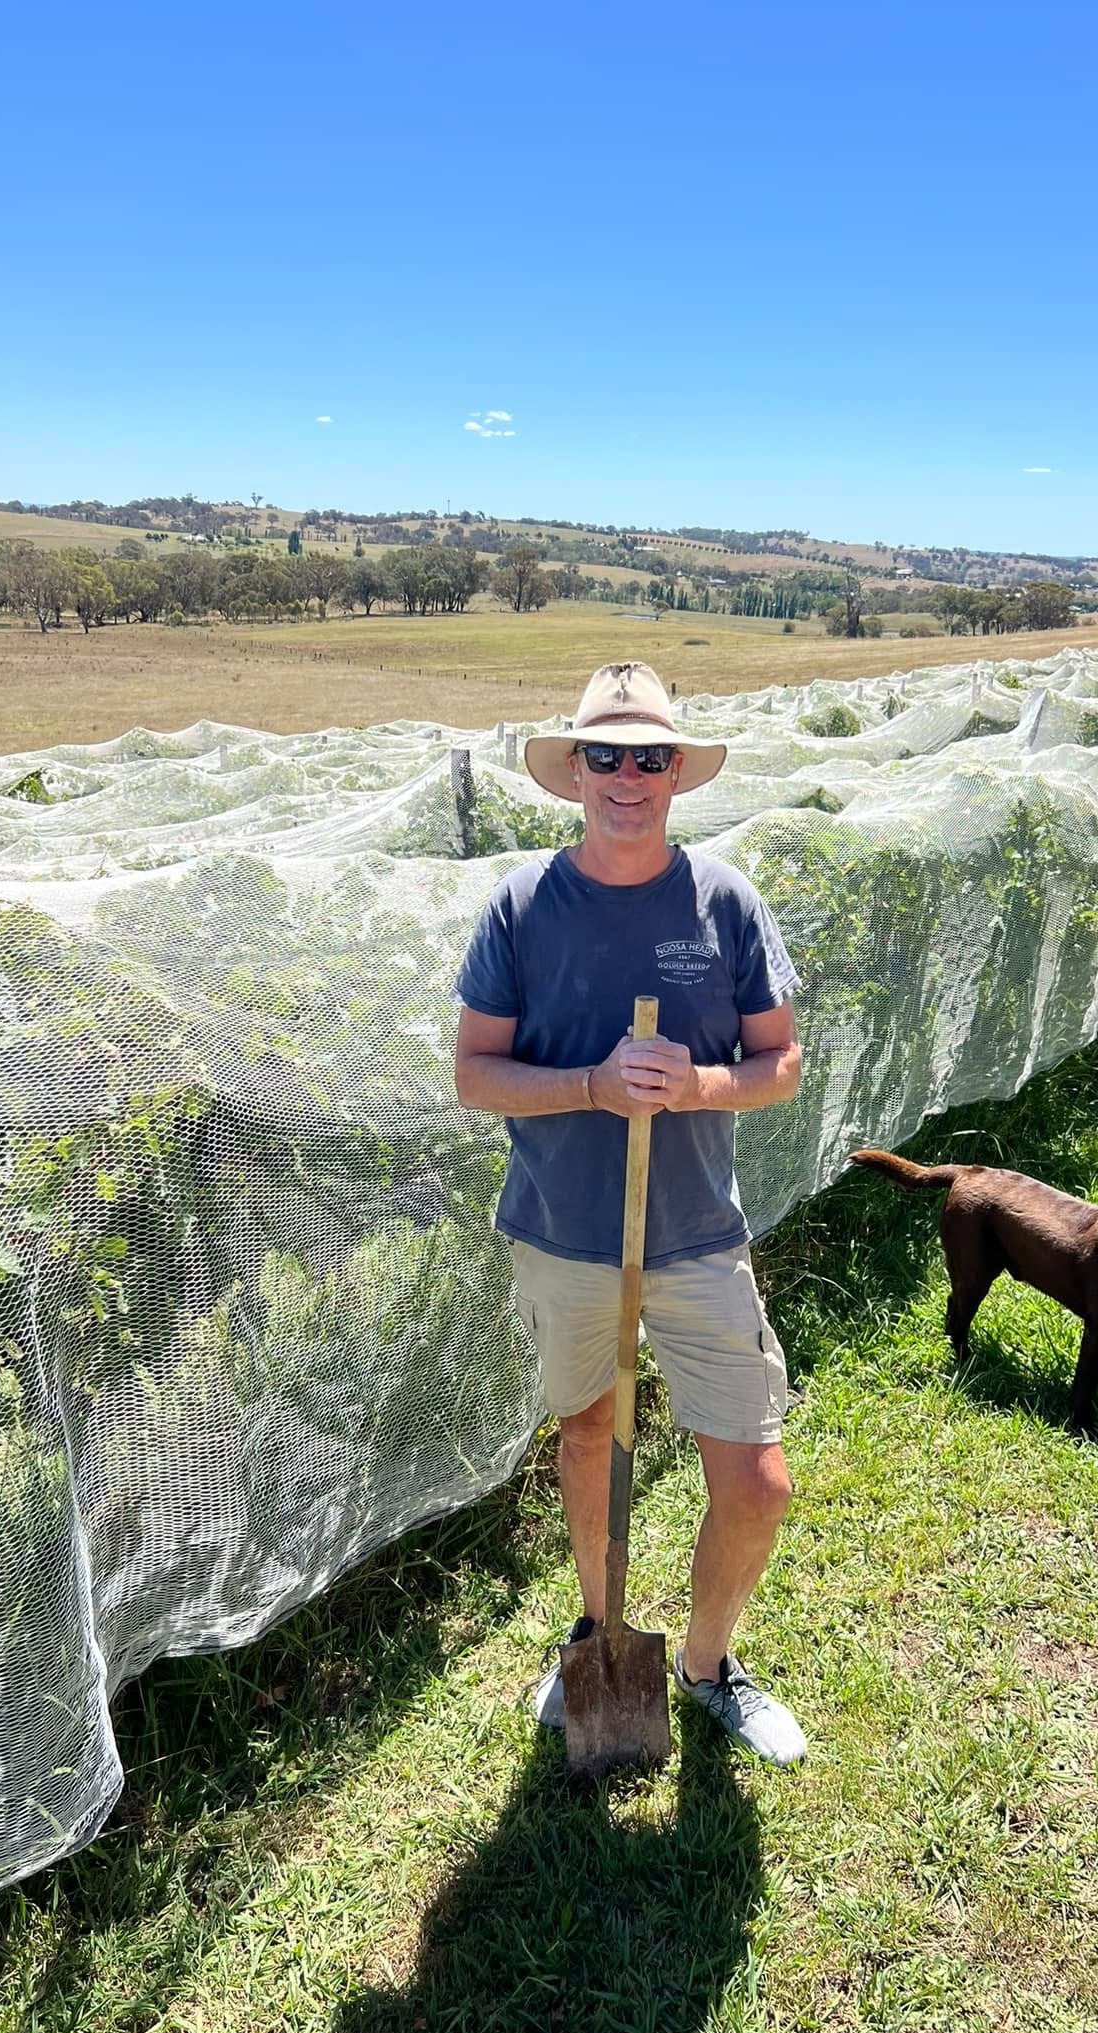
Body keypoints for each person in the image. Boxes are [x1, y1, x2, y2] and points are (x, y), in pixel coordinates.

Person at [454, 661, 807, 1764]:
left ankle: (707, 1663)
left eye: (649, 756)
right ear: (575, 772)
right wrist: (592, 1086)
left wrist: (697, 1085)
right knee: (591, 1433)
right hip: (567, 1233)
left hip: (697, 1232)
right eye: (604, 755)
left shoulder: (725, 901)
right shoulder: (521, 908)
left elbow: (780, 1059)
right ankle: (600, 1632)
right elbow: (476, 1072)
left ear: (675, 773)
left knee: (756, 1477)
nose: (627, 776)